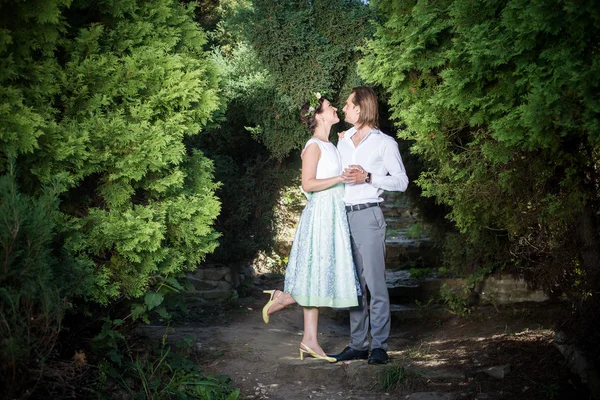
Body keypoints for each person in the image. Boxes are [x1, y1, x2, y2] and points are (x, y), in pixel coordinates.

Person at [262, 93, 361, 363]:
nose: (335, 109)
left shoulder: (330, 144)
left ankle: (307, 337)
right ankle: (287, 303)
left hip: (334, 214)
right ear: (319, 115)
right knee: (317, 273)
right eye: (330, 107)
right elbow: (308, 184)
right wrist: (339, 177)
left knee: (320, 273)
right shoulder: (314, 145)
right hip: (321, 214)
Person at [328, 86, 409, 365]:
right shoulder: (343, 140)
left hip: (368, 215)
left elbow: (401, 181)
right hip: (343, 216)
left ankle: (379, 346)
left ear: (361, 108)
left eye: (349, 105)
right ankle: (358, 344)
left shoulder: (384, 143)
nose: (345, 109)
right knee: (354, 286)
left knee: (375, 284)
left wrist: (369, 177)